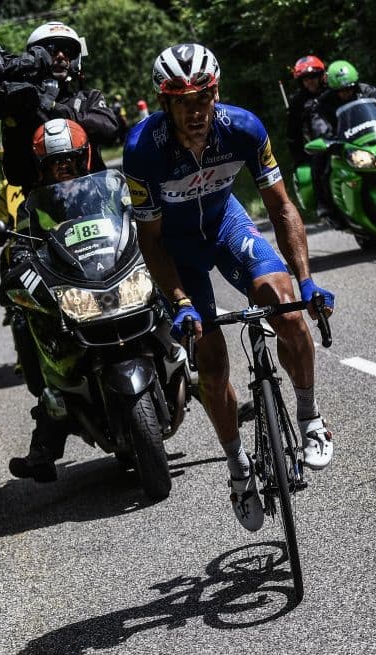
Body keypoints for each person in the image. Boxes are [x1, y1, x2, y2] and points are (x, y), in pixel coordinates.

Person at [123, 44, 336, 532]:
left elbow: (281, 208)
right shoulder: (143, 150)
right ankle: (239, 467)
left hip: (226, 227)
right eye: (182, 101)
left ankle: (308, 414)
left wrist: (305, 279)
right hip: (177, 251)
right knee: (213, 362)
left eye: (202, 98)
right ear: (165, 103)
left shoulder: (242, 128)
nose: (194, 111)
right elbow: (150, 240)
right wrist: (178, 302)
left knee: (287, 310)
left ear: (216, 93)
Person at [2, 119, 93, 482]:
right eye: (56, 163)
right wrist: (22, 265)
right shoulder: (31, 208)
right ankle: (43, 446)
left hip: (108, 277)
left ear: (83, 159)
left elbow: (133, 219)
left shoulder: (102, 191)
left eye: (69, 160)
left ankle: (206, 384)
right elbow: (21, 245)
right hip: (65, 292)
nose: (63, 167)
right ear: (43, 167)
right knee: (31, 325)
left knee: (166, 299)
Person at [0, 21, 119, 195]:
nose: (60, 56)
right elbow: (15, 175)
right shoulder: (23, 104)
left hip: (96, 197)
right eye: (51, 50)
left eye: (67, 51)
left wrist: (59, 111)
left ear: (75, 60)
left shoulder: (88, 98)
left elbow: (109, 131)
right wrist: (19, 119)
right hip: (44, 210)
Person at [308, 59, 376, 223]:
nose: (346, 93)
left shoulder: (367, 90)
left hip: (374, 137)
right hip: (343, 145)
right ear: (332, 88)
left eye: (350, 88)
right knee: (322, 168)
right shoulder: (324, 102)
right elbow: (319, 123)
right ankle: (327, 207)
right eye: (341, 90)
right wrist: (327, 138)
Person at [285, 55, 327, 167]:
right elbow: (293, 135)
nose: (310, 82)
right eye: (305, 79)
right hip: (318, 149)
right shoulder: (297, 102)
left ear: (320, 76)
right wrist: (300, 159)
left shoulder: (333, 92)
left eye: (313, 77)